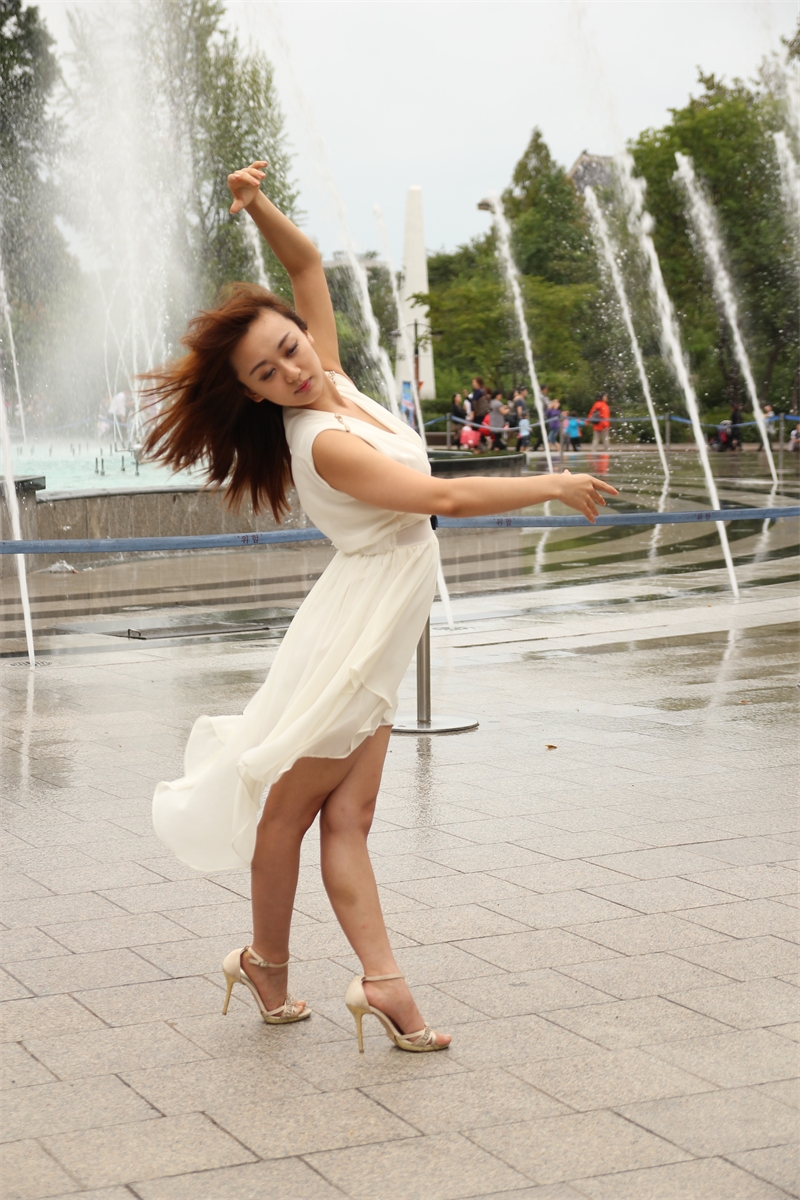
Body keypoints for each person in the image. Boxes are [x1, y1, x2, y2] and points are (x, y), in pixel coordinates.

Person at [143, 159, 617, 1055]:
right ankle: (285, 967)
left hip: (379, 625)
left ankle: (345, 976)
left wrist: (257, 204)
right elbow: (443, 498)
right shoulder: (321, 441)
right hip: (355, 635)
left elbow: (306, 266)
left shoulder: (332, 380)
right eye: (267, 371)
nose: (292, 368)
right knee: (290, 813)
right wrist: (550, 482)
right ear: (252, 392)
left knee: (346, 818)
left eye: (290, 347)